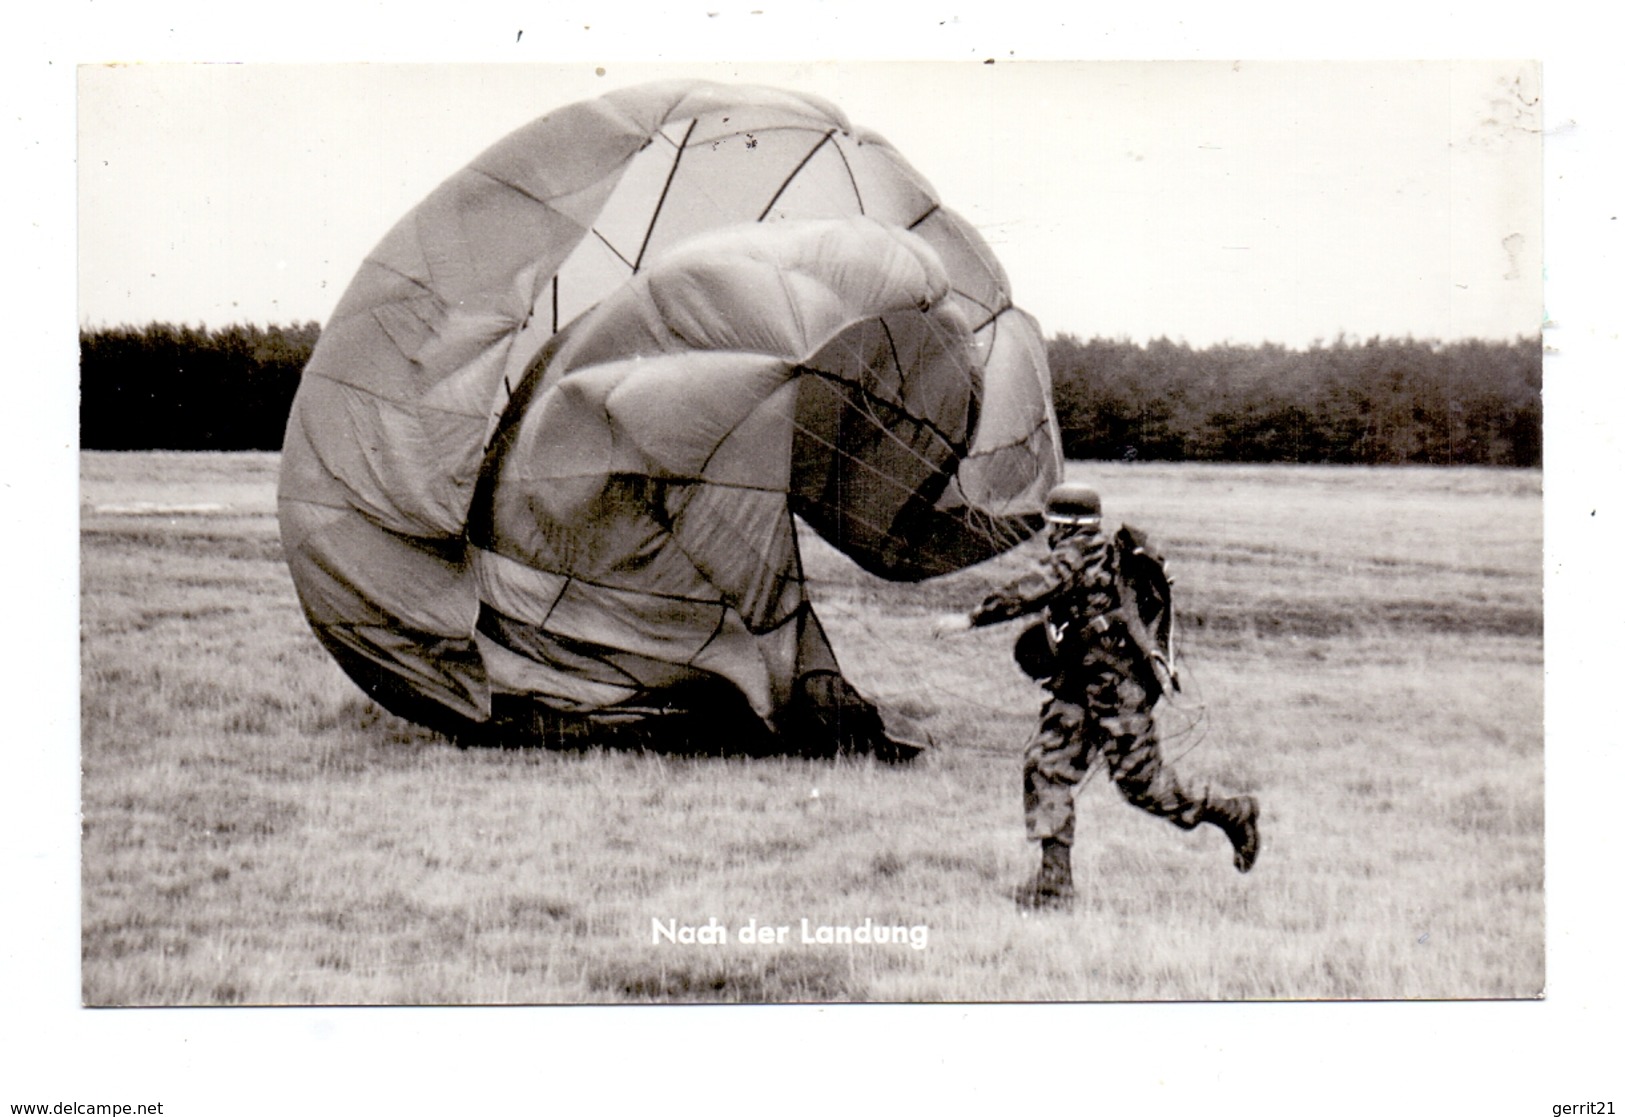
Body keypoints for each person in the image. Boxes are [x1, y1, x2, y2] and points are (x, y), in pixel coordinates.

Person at [934, 482, 1259, 910]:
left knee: (1143, 786)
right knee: (1045, 766)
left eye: (1051, 525)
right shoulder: (1094, 552)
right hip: (1079, 686)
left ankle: (1232, 812)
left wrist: (971, 619)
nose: (1049, 534)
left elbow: (1031, 589)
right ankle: (1054, 887)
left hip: (1115, 690)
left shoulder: (1079, 552)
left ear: (1062, 525)